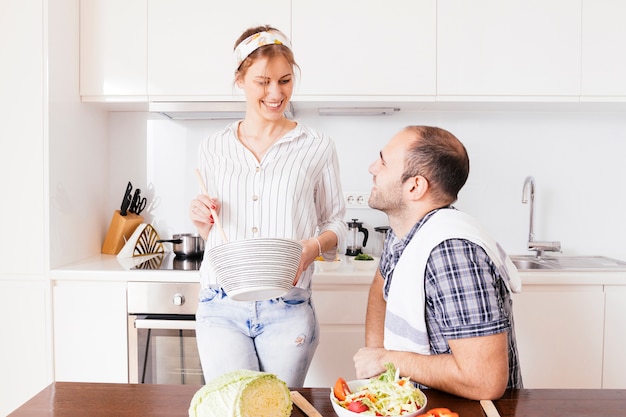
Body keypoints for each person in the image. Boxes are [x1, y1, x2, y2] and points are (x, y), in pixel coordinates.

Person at [189, 25, 346, 388]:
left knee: (278, 408)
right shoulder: (213, 147)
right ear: (240, 80)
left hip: (287, 307)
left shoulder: (317, 146)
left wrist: (311, 249)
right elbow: (213, 229)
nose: (276, 93)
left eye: (285, 80)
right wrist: (201, 218)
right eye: (262, 81)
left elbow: (337, 224)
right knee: (230, 408)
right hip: (221, 303)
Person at [353, 126, 523, 400]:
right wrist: (379, 371)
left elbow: (484, 380)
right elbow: (379, 289)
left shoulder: (451, 253)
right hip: (416, 404)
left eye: (383, 162)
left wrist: (387, 360)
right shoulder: (405, 232)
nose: (372, 168)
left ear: (415, 186)